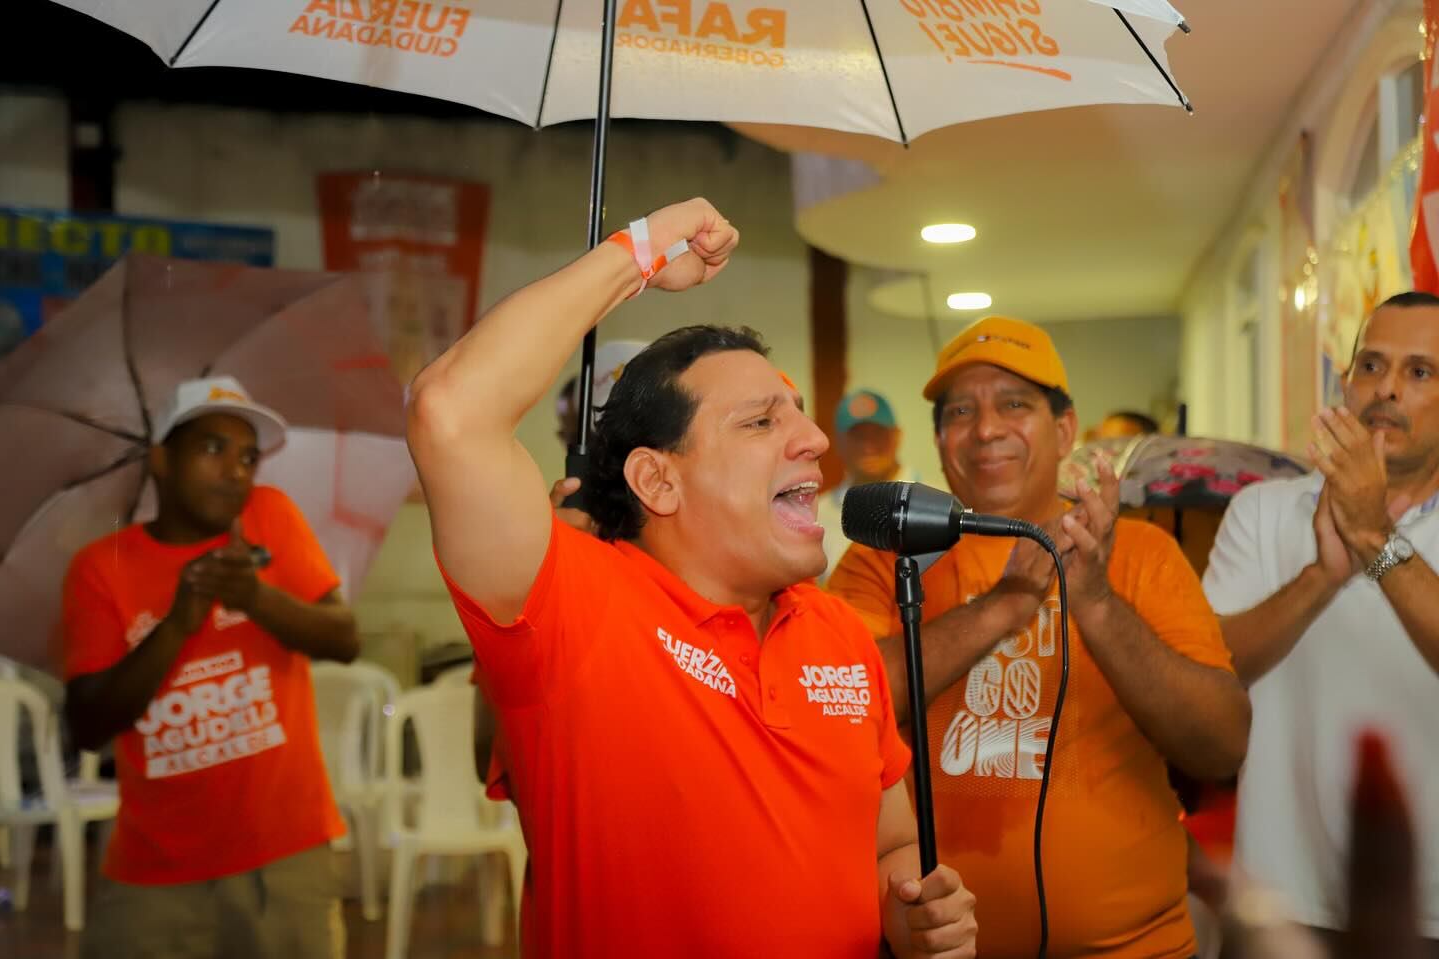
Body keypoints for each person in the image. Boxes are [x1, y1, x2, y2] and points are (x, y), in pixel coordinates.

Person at [406, 197, 977, 958]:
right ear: (657, 480)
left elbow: (889, 848)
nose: (812, 439)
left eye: (800, 415)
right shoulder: (577, 602)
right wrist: (638, 250)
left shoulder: (837, 631)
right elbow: (451, 409)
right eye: (761, 421)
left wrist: (910, 913)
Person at [829, 315, 1250, 958]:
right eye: (961, 411)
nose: (987, 429)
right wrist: (1009, 604)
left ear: (1065, 430)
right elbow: (847, 707)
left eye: (1015, 404)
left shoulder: (1141, 553)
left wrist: (1097, 602)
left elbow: (1221, 745)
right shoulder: (885, 560)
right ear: (940, 440)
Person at [61, 375, 358, 959]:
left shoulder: (269, 518)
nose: (236, 471)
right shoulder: (102, 568)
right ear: (162, 461)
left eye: (248, 456)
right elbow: (87, 726)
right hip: (156, 871)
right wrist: (176, 626)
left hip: (284, 858)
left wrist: (255, 598)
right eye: (213, 449)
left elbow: (345, 639)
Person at [1202, 290, 1439, 955]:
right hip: (1281, 900)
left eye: (1420, 372)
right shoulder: (1264, 511)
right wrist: (1320, 579)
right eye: (1372, 365)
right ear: (1345, 383)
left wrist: (1374, 536)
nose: (1388, 388)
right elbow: (1207, 668)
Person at [815, 388, 917, 585]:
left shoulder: (941, 501)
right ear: (838, 442)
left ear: (897, 436)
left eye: (878, 434)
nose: (868, 446)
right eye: (858, 436)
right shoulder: (817, 515)